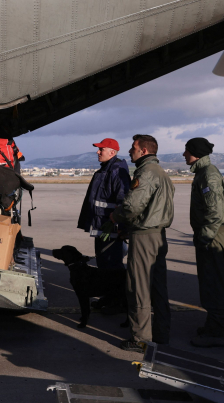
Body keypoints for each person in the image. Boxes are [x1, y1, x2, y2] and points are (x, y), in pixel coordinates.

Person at [109, 134, 174, 353]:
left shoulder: (145, 173)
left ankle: (141, 339)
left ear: (144, 151)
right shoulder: (161, 173)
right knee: (158, 286)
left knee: (138, 287)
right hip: (159, 235)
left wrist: (115, 216)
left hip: (145, 235)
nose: (130, 151)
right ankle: (162, 332)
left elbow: (132, 207)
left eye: (133, 148)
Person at [183, 137, 224, 348]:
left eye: (186, 151)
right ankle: (213, 325)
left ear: (195, 153)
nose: (183, 155)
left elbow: (214, 212)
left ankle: (216, 332)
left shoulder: (208, 175)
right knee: (210, 282)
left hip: (213, 236)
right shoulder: (203, 173)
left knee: (214, 284)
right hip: (210, 234)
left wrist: (204, 238)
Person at [77, 138, 131, 271]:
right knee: (103, 265)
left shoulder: (117, 172)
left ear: (112, 153)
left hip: (111, 229)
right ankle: (109, 291)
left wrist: (122, 228)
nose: (97, 152)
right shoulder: (103, 171)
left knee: (112, 267)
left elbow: (124, 201)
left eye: (101, 149)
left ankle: (116, 292)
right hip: (102, 227)